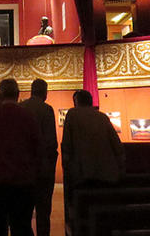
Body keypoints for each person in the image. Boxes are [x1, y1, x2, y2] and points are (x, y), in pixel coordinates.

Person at [0, 78, 40, 236]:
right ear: (18, 94)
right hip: (22, 180)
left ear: (0, 94)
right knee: (22, 226)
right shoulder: (28, 116)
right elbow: (37, 147)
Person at [61, 90, 124, 228]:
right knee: (104, 217)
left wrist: (68, 170)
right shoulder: (102, 117)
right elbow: (116, 145)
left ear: (76, 102)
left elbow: (67, 145)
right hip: (106, 175)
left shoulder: (72, 115)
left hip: (84, 175)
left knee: (84, 218)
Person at [20, 79, 57, 236]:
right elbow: (51, 142)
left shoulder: (21, 108)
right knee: (43, 213)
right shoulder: (46, 110)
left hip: (23, 168)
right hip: (42, 169)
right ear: (45, 92)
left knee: (23, 212)